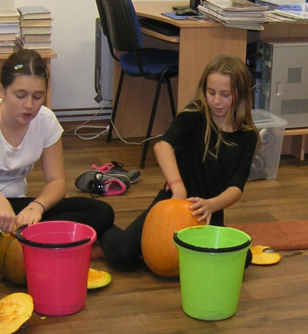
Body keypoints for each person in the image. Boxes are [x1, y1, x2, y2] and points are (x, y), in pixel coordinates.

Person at [0, 47, 114, 269]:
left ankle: (18, 253)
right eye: (20, 95)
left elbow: (57, 182)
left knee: (101, 212)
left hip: (18, 210)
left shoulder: (46, 121)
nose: (29, 105)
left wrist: (37, 207)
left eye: (37, 96)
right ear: (1, 91)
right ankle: (41, 250)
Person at [101, 55, 258, 269]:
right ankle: (103, 227)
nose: (216, 101)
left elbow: (236, 187)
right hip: (172, 203)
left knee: (242, 259)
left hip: (207, 212)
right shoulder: (195, 114)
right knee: (122, 253)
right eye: (211, 92)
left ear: (240, 94)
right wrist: (177, 187)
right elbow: (162, 146)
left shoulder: (247, 137)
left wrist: (211, 205)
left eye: (225, 94)